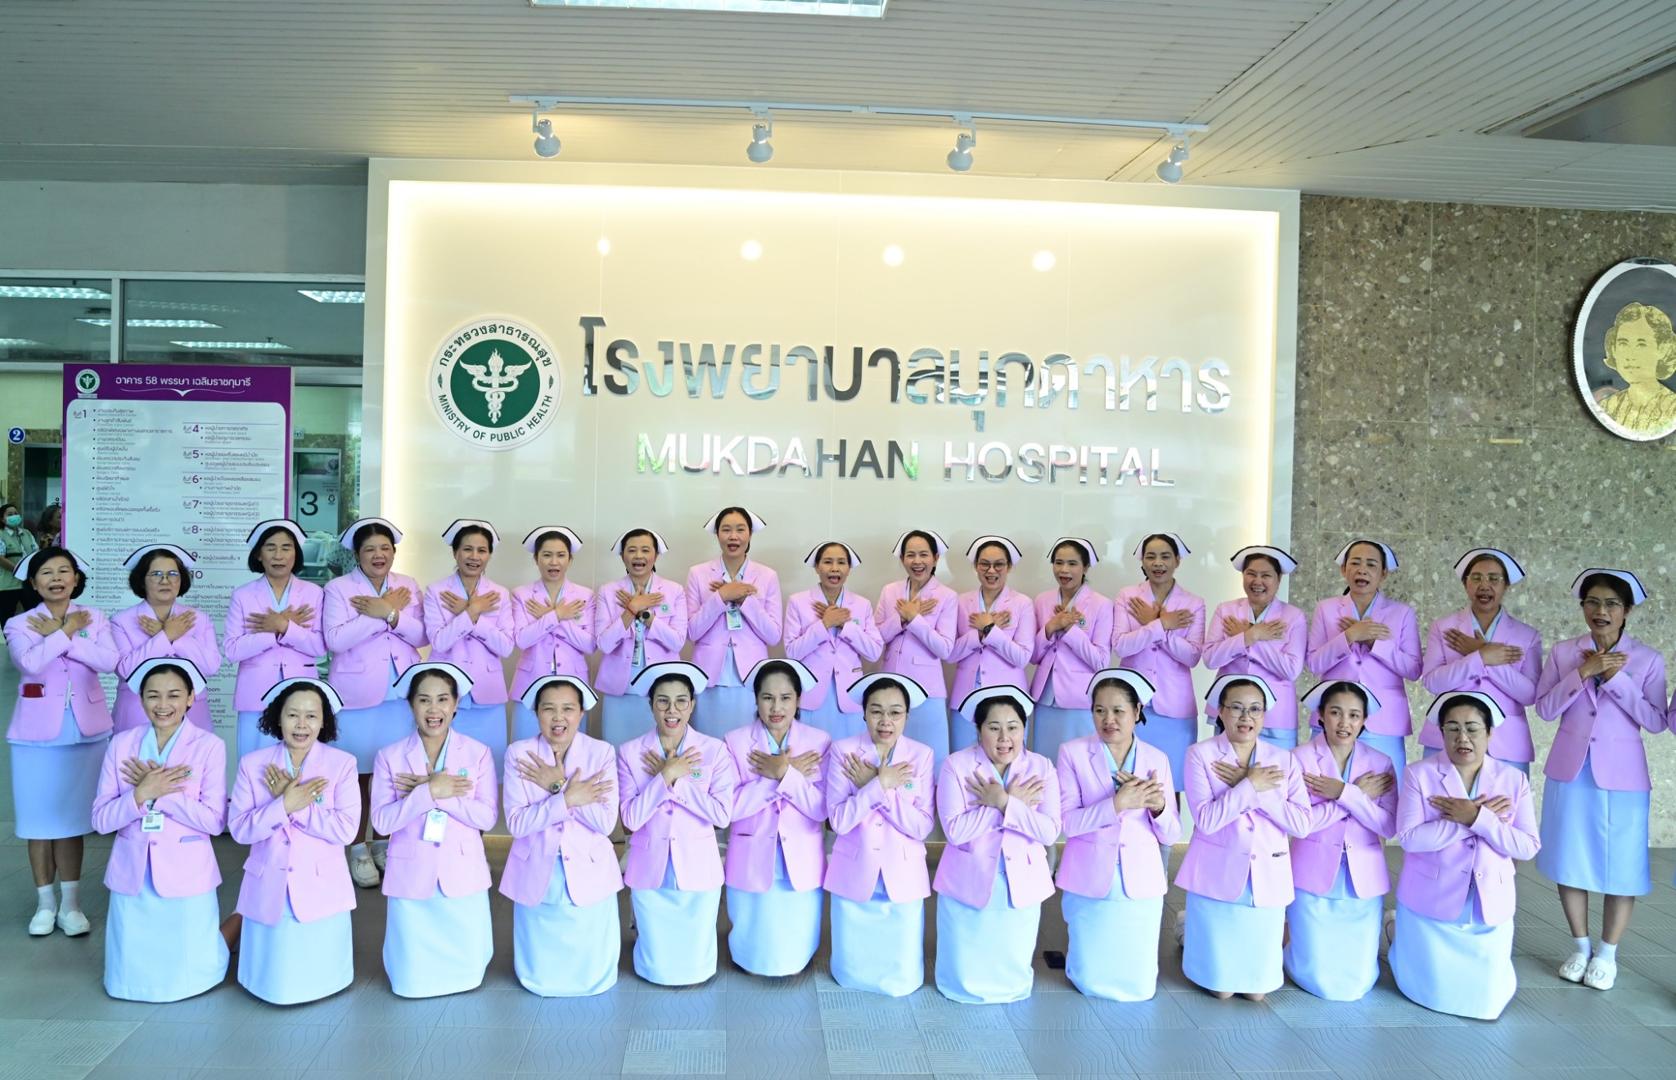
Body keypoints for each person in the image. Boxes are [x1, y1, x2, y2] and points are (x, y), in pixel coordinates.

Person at [1533, 569, 1666, 991]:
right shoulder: (1564, 652)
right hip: (1571, 770)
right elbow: (1544, 709)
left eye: (1611, 603)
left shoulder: (1648, 659)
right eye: (1592, 602)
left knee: (1621, 865)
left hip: (1623, 776)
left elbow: (1656, 721)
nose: (1601, 611)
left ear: (1627, 611)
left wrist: (1615, 679)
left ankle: (1607, 953)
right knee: (1570, 859)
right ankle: (1579, 946)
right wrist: (1583, 672)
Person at [1390, 692, 1539, 1020]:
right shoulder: (1419, 774)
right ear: (1441, 732)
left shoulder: (1513, 780)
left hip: (1489, 902)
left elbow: (1527, 846)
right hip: (1432, 900)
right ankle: (1400, 937)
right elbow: (1410, 839)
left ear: (1489, 733)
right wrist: (1470, 819)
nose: (1462, 738)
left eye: (1472, 729)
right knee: (1433, 991)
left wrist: (1477, 818)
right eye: (1453, 729)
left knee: (1487, 1002)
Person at [91, 658, 229, 1002]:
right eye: (153, 695)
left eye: (174, 695)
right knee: (132, 962)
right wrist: (139, 795)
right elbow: (101, 820)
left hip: (186, 868)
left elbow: (214, 821)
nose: (163, 705)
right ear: (140, 699)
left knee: (189, 963)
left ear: (190, 698)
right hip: (132, 867)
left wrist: (162, 794)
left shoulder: (209, 746)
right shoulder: (121, 744)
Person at [1175, 674, 1309, 1000]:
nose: (1245, 717)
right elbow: (1207, 820)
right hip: (1217, 870)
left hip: (1266, 872)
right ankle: (1187, 932)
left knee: (1256, 994)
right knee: (1221, 992)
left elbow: (1302, 825)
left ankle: (1188, 929)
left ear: (1264, 715)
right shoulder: (1200, 754)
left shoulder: (1284, 760)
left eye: (1255, 709)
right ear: (1220, 711)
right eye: (1236, 707)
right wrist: (1249, 785)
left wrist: (1256, 789)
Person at [370, 661, 498, 998]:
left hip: (462, 870)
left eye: (443, 699)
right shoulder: (389, 757)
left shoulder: (478, 753)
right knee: (411, 977)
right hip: (412, 874)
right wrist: (428, 792)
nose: (434, 709)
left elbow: (486, 818)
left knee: (468, 969)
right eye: (424, 700)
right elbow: (382, 822)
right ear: (411, 704)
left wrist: (436, 791)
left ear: (456, 704)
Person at [228, 676, 359, 1005]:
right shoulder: (252, 765)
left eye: (311, 716)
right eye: (292, 715)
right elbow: (240, 830)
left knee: (319, 971)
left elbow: (346, 830)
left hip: (321, 883)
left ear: (324, 721)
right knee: (272, 977)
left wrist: (297, 805)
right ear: (278, 717)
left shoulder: (342, 764)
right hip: (269, 878)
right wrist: (283, 805)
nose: (302, 725)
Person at [4, 547, 115, 936]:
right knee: (38, 821)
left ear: (76, 579)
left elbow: (108, 661)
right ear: (34, 583)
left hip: (86, 731)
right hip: (35, 736)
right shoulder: (19, 623)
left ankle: (70, 905)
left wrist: (62, 634)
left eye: (64, 571)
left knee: (71, 822)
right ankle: (44, 904)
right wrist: (66, 632)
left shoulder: (95, 617)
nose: (56, 578)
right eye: (47, 573)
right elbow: (30, 663)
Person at [1054, 668, 1179, 1001]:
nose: (1108, 720)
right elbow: (1067, 823)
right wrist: (1117, 804)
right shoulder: (1073, 753)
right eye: (1100, 710)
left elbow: (1172, 833)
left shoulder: (1156, 758)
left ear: (1137, 712)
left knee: (1138, 978)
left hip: (1141, 876)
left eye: (1118, 710)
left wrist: (1158, 806)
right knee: (1090, 972)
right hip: (1090, 872)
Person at [934, 684, 1060, 1004]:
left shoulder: (1042, 767)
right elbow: (955, 831)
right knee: (968, 955)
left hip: (1022, 877)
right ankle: (961, 986)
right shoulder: (956, 765)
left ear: (1024, 729)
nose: (1005, 738)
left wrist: (1003, 802)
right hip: (969, 873)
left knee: (1012, 949)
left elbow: (1048, 832)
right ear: (979, 731)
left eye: (1013, 727)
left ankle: (1011, 986)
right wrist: (1005, 806)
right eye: (994, 728)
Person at [617, 660, 738, 986]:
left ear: (692, 704)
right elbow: (630, 818)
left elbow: (721, 815)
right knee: (656, 956)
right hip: (649, 865)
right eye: (663, 701)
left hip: (698, 865)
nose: (672, 711)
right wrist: (665, 776)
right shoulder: (630, 752)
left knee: (694, 953)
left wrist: (679, 783)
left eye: (681, 701)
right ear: (651, 705)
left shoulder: (714, 750)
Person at [501, 674, 622, 997]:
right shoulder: (519, 753)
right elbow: (517, 823)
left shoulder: (601, 753)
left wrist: (557, 785)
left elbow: (605, 822)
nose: (558, 718)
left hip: (589, 864)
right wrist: (569, 797)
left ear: (581, 713)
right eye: (549, 709)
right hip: (536, 864)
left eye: (568, 709)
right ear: (536, 712)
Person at [322, 517, 426, 887]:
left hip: (399, 694)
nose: (378, 555)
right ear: (357, 555)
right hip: (356, 696)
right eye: (369, 550)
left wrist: (390, 613)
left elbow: (422, 635)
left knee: (392, 775)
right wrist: (382, 612)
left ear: (394, 552)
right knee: (357, 775)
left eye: (384, 548)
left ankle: (384, 841)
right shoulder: (338, 589)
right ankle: (356, 847)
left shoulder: (407, 585)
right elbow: (336, 640)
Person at [824, 673, 936, 996]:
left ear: (907, 716)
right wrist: (881, 784)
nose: (885, 721)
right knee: (852, 961)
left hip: (902, 868)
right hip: (855, 865)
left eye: (895, 712)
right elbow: (839, 821)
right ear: (863, 713)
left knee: (900, 960)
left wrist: (874, 787)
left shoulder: (921, 755)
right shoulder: (844, 751)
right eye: (876, 711)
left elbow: (921, 826)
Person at [1284, 681, 1397, 1001]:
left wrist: (1344, 793)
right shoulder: (1298, 759)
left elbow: (1389, 826)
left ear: (1364, 720)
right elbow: (1301, 825)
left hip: (1364, 876)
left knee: (1358, 980)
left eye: (1354, 715)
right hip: (1312, 873)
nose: (1344, 722)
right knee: (1316, 974)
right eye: (1336, 712)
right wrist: (1354, 796)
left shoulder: (1381, 763)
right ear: (1321, 715)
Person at [723, 658, 831, 977]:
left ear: (798, 699)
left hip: (801, 851)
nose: (776, 707)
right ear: (756, 699)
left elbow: (820, 808)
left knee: (795, 931)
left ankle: (799, 958)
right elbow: (730, 808)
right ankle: (747, 958)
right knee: (753, 927)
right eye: (767, 697)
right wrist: (780, 775)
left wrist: (783, 772)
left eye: (785, 698)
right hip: (752, 849)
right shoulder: (734, 741)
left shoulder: (819, 742)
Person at [1306, 539, 1421, 784]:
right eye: (1355, 563)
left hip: (1385, 721)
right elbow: (1314, 664)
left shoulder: (1402, 613)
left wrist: (1374, 643)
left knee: (1385, 792)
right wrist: (1349, 636)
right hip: (1332, 718)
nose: (1362, 570)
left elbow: (1413, 669)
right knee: (1321, 788)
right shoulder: (1325, 609)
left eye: (1371, 564)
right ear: (1343, 569)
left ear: (1383, 573)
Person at [1420, 548, 1542, 770]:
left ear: (1506, 585)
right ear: (1465, 583)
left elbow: (1530, 694)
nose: (1484, 585)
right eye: (1476, 578)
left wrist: (1480, 651)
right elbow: (1432, 682)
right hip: (1447, 739)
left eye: (1494, 579)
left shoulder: (1527, 635)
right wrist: (1481, 657)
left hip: (1506, 744)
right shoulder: (1443, 627)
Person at [1110, 533, 1204, 794]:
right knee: (1129, 780)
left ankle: (1168, 825)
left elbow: (1192, 656)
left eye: (1165, 557)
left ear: (1177, 561)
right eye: (1150, 557)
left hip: (1175, 707)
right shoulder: (1127, 596)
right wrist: (1162, 624)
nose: (1157, 563)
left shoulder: (1193, 603)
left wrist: (1153, 623)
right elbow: (1120, 646)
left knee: (1172, 784)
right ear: (1142, 561)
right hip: (1132, 703)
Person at [225, 519, 326, 758]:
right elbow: (232, 650)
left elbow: (319, 647)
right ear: (259, 555)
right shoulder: (243, 595)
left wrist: (283, 626)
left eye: (286, 547)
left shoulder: (314, 593)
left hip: (301, 692)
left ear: (296, 553)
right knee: (254, 763)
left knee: (300, 762)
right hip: (255, 694)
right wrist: (274, 632)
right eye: (270, 548)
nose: (278, 555)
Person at [423, 519, 514, 771]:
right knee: (445, 766)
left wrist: (469, 612)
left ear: (489, 555)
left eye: (482, 550)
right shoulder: (436, 591)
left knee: (488, 767)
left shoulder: (499, 594)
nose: (474, 557)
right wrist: (473, 611)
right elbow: (439, 641)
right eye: (467, 549)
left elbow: (506, 647)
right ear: (455, 552)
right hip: (446, 691)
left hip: (487, 692)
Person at [686, 507, 783, 737]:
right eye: (726, 530)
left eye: (740, 530)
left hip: (750, 677)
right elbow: (692, 631)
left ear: (750, 534)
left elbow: (773, 635)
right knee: (708, 744)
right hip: (709, 675)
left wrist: (744, 600)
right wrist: (720, 597)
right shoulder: (698, 573)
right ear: (717, 534)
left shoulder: (767, 575)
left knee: (746, 744)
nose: (733, 536)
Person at [1203, 546, 1307, 749]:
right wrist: (1251, 636)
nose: (1257, 581)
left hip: (1276, 717)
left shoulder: (1294, 616)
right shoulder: (1226, 610)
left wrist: (1248, 635)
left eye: (1266, 575)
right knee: (1226, 767)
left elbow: (1291, 669)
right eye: (1251, 574)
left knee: (1275, 769)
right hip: (1230, 714)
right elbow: (1210, 658)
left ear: (1278, 579)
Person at [111, 544, 221, 733]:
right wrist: (166, 635)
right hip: (138, 715)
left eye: (173, 574)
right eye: (156, 574)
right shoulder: (121, 620)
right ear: (141, 580)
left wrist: (175, 638)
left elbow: (211, 666)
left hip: (192, 715)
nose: (165, 580)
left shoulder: (198, 618)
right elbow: (125, 669)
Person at [595, 528, 688, 745]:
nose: (638, 556)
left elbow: (677, 642)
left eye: (645, 550)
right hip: (620, 688)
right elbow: (604, 644)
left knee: (657, 750)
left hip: (661, 689)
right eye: (632, 550)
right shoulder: (608, 591)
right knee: (618, 748)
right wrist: (630, 610)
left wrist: (645, 614)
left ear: (656, 555)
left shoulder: (674, 590)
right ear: (622, 556)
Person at [783, 540, 882, 741]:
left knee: (848, 753)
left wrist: (845, 625)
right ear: (817, 567)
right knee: (811, 753)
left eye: (841, 562)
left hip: (850, 697)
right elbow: (792, 652)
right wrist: (824, 624)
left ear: (849, 569)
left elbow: (874, 652)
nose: (834, 568)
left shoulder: (862, 604)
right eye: (828, 562)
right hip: (811, 695)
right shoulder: (798, 602)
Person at [874, 530, 958, 765]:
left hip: (928, 690)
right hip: (890, 686)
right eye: (910, 555)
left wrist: (914, 618)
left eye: (924, 554)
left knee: (930, 759)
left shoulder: (947, 596)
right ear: (902, 559)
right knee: (889, 757)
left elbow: (945, 649)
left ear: (935, 558)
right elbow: (875, 638)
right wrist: (901, 618)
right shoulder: (889, 591)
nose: (917, 561)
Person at [948, 536, 1037, 754]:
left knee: (1008, 759)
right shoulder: (961, 601)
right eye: (984, 564)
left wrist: (990, 630)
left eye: (999, 564)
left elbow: (1021, 657)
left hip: (1008, 698)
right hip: (965, 696)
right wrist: (980, 634)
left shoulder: (1022, 603)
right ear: (976, 566)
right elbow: (950, 654)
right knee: (964, 759)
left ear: (1009, 567)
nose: (991, 570)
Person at [1029, 537, 1113, 763]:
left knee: (1079, 764)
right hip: (1045, 697)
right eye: (1058, 563)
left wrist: (1069, 630)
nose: (1064, 570)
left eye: (1072, 563)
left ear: (1085, 567)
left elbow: (1101, 661)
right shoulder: (1042, 600)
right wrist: (1050, 627)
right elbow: (1033, 656)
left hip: (1079, 699)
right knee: (1046, 763)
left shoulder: (1101, 604)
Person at [510, 526, 595, 742]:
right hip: (530, 682)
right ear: (536, 559)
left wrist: (550, 616)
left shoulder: (585, 595)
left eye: (561, 555)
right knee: (526, 747)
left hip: (574, 683)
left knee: (572, 749)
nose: (554, 562)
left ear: (570, 559)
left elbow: (589, 644)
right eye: (547, 555)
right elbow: (522, 639)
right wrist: (558, 615)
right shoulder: (522, 594)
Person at [1595, 301, 1676, 435]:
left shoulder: (1672, 408)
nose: (1630, 355)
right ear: (1614, 349)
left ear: (1662, 349)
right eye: (1623, 343)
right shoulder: (1607, 408)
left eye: (1641, 345)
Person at [0, 502, 38, 623]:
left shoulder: (26, 533)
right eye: (10, 514)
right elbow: (1, 558)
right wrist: (18, 570)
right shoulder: (1, 534)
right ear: (2, 519)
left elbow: (36, 553)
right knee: (7, 618)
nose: (14, 516)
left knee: (34, 615)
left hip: (28, 584)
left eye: (16, 513)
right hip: (8, 585)